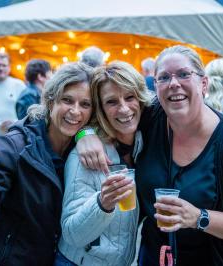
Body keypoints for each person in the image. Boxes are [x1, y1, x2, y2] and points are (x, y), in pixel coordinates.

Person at [77, 45, 223, 265]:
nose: (174, 83)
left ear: (203, 84)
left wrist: (198, 217)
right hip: (153, 256)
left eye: (184, 74)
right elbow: (98, 113)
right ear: (155, 87)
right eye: (164, 77)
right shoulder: (151, 117)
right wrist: (85, 134)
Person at [0, 62, 93, 265]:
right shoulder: (14, 146)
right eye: (67, 100)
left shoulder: (84, 147)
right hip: (3, 260)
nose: (75, 111)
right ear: (50, 100)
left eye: (85, 104)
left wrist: (87, 133)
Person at [55, 61, 151, 266]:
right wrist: (103, 203)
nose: (124, 109)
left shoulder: (146, 143)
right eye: (112, 102)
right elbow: (72, 234)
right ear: (101, 109)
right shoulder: (87, 156)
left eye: (129, 97)